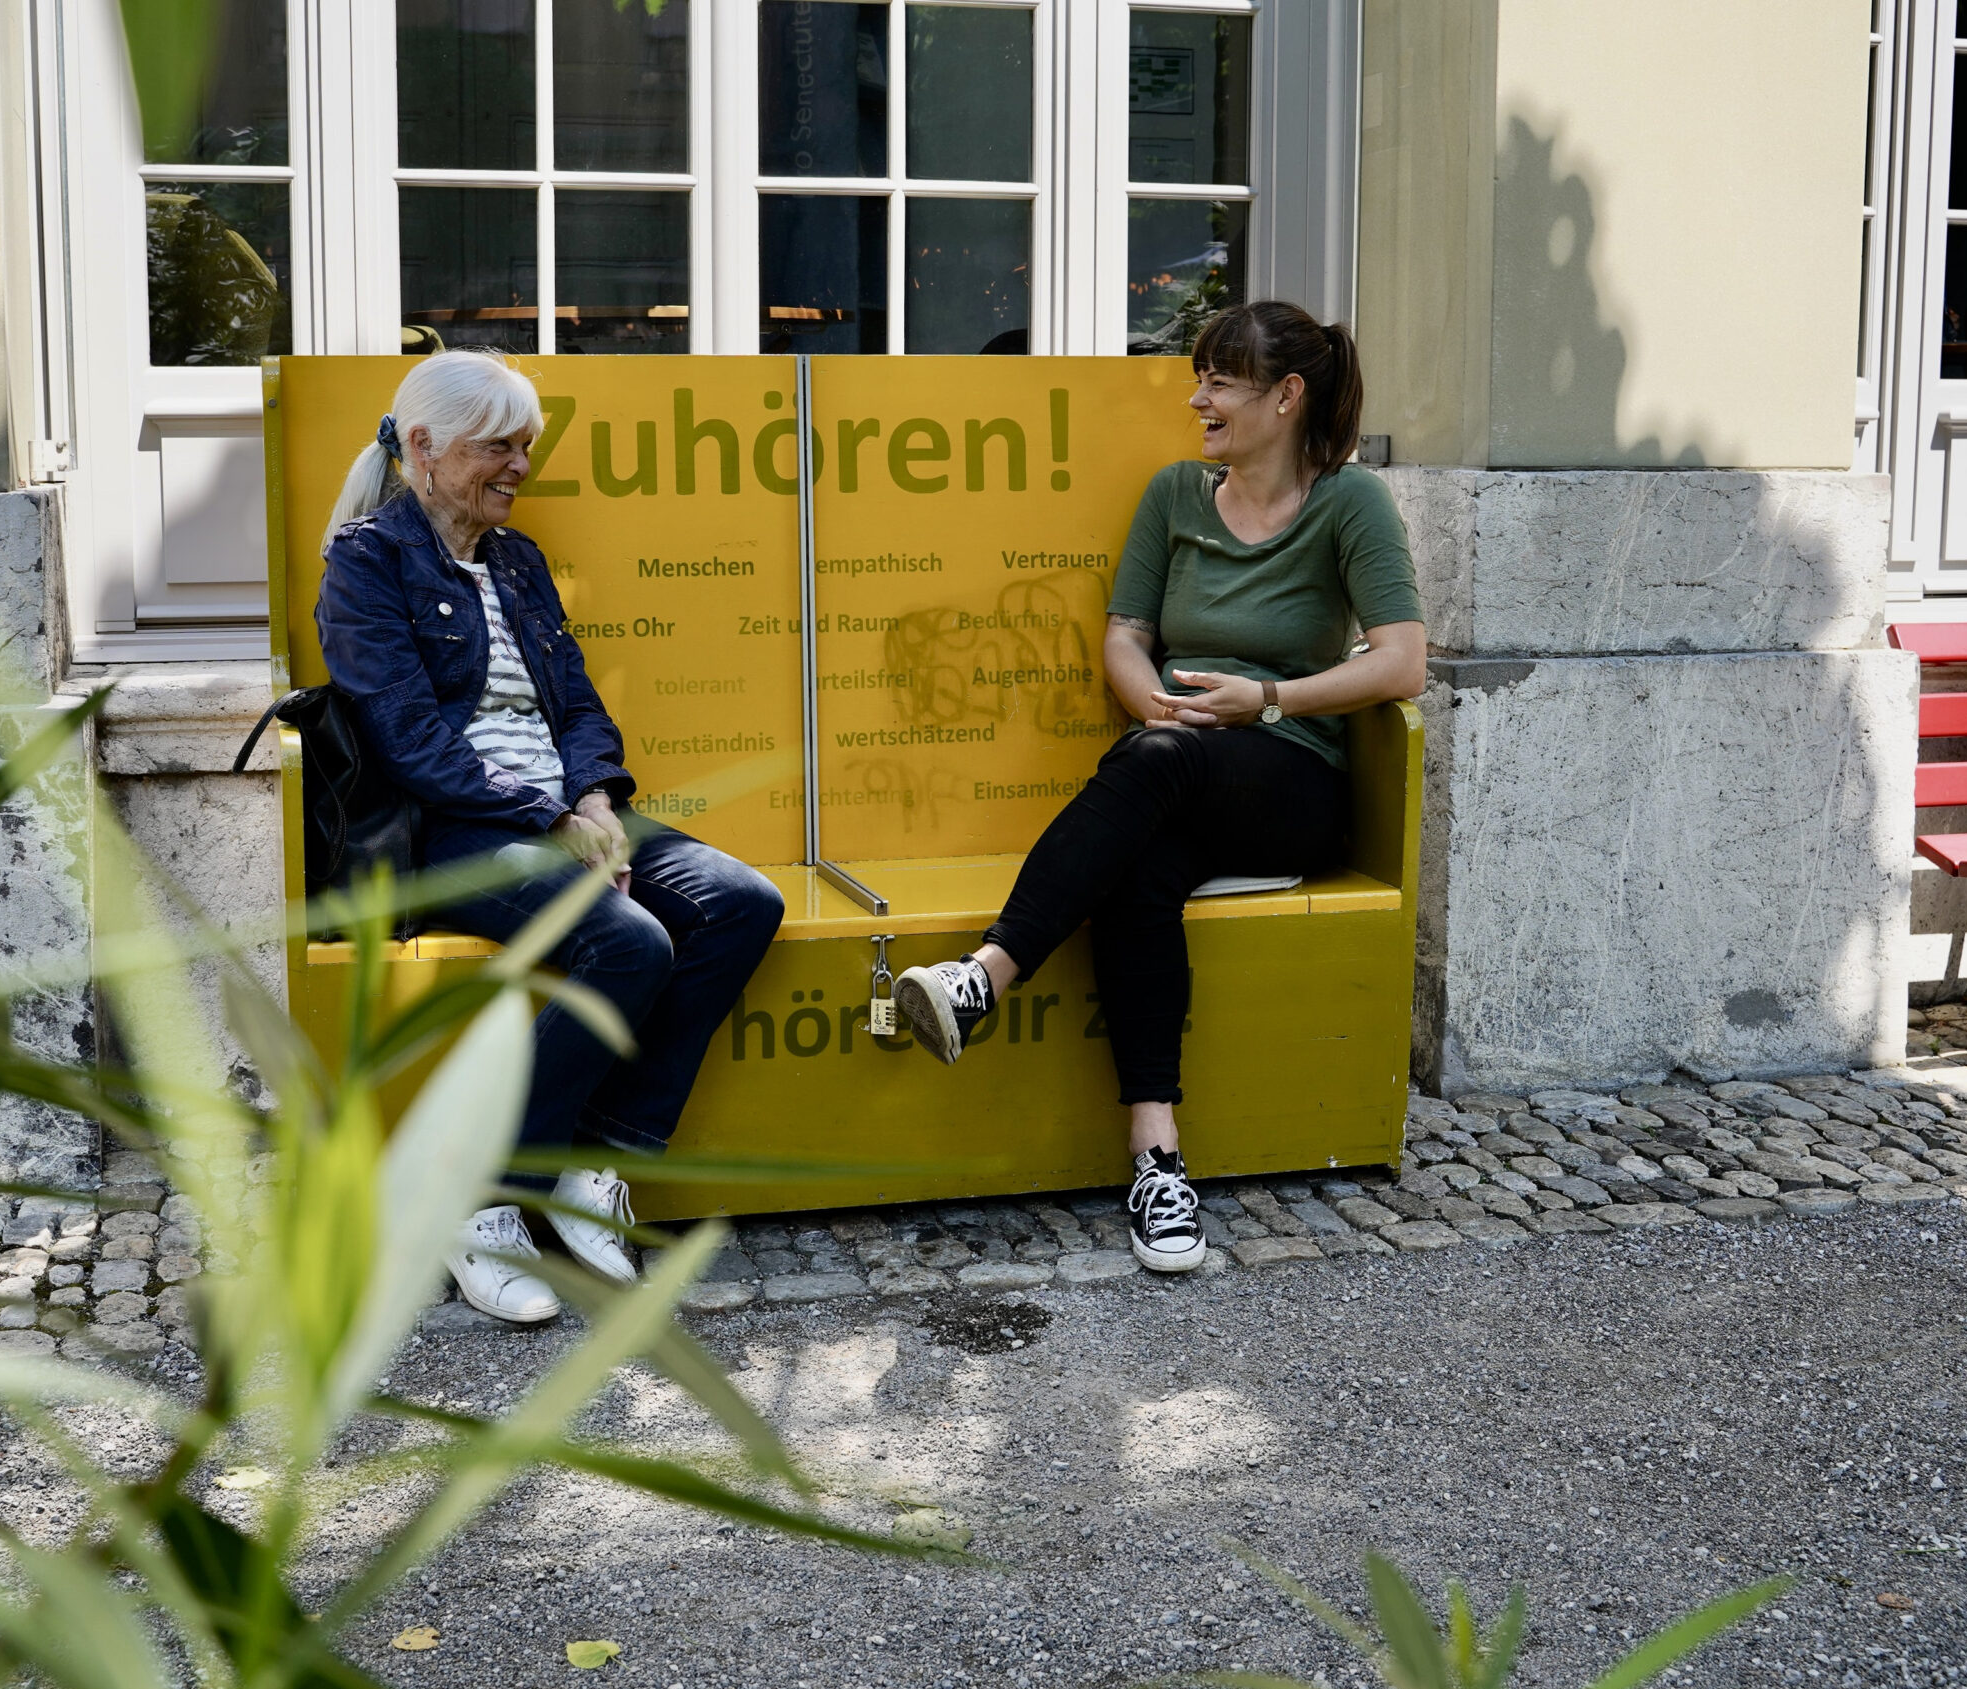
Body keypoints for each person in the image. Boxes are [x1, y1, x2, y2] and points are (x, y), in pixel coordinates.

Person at [889, 300, 1427, 1275]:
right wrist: (1153, 703)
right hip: (1173, 766)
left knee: (1160, 765)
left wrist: (1262, 698)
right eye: (1201, 377)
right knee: (1138, 876)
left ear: (1286, 395)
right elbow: (1125, 636)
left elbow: (1401, 665)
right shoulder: (1177, 494)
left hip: (1290, 779)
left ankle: (987, 975)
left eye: (1220, 380)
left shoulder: (1350, 504)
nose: (1198, 399)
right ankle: (1157, 1158)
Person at [316, 351, 785, 1325]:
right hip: (458, 828)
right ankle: (485, 1202)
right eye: (501, 446)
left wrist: (601, 798)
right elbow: (409, 739)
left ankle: (595, 1165)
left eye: (527, 445)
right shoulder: (365, 562)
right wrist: (554, 817)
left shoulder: (517, 562)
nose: (522, 466)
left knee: (740, 903)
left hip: (565, 812)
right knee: (628, 940)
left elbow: (573, 699)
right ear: (425, 449)